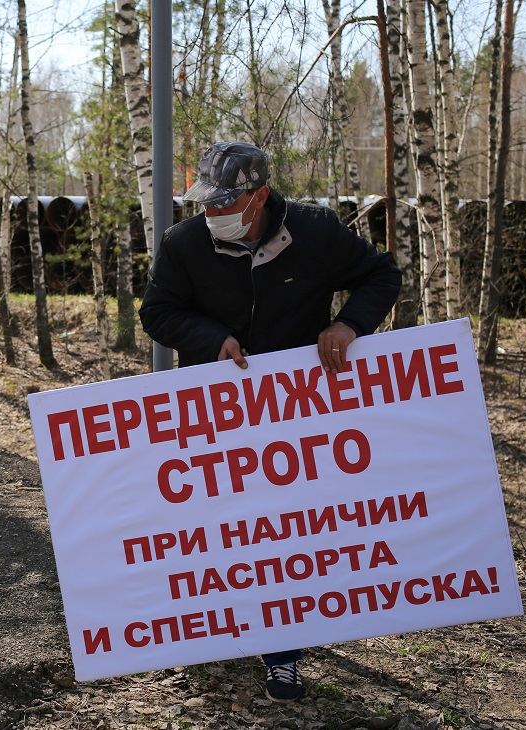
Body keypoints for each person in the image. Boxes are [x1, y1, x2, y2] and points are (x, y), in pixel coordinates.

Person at [139, 141, 402, 702]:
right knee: (219, 526)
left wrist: (349, 325)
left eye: (223, 204)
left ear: (258, 198)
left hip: (298, 413)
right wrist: (212, 341)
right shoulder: (183, 244)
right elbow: (157, 312)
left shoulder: (316, 232)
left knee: (283, 531)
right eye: (205, 205)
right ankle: (210, 627)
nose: (211, 215)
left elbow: (382, 275)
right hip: (216, 412)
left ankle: (282, 654)